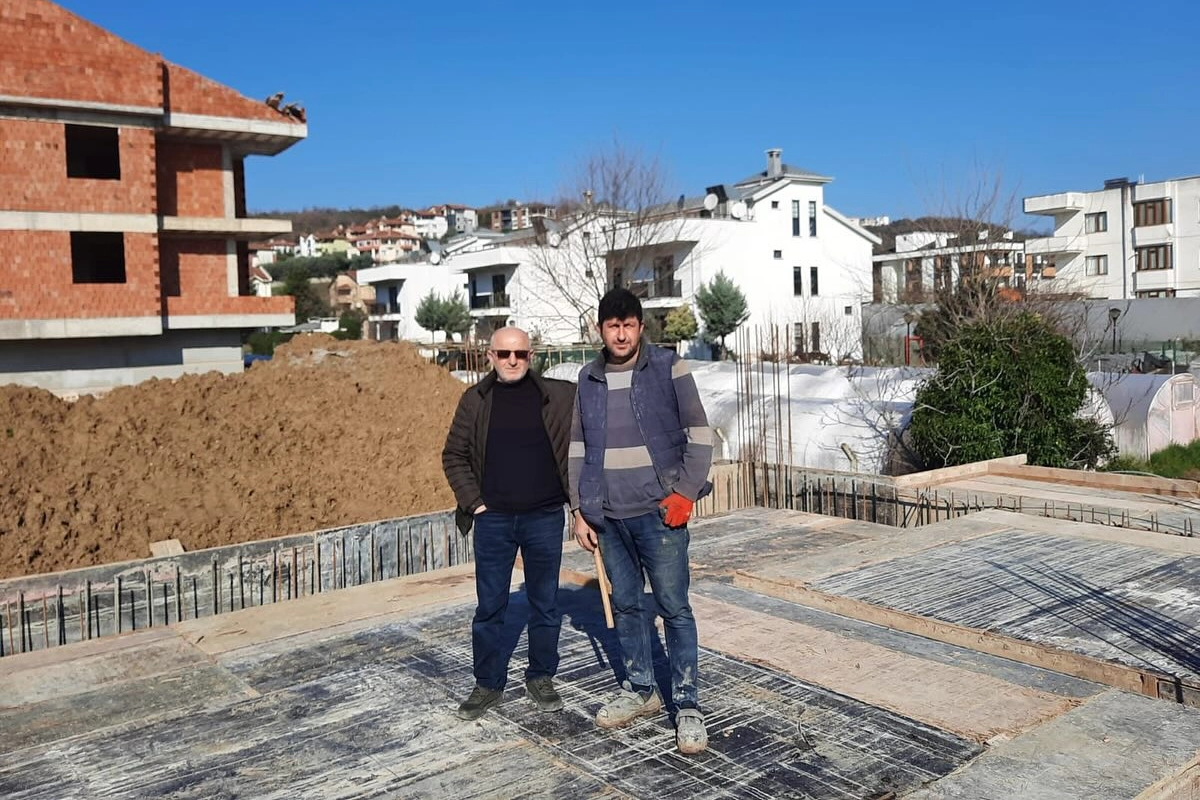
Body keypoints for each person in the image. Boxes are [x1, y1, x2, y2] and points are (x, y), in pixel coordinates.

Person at [569, 288, 714, 755]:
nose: (621, 335)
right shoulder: (588, 378)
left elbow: (700, 435)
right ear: (600, 330)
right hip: (608, 518)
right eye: (613, 326)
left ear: (640, 327)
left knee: (673, 607)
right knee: (627, 605)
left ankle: (687, 704)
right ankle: (640, 689)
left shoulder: (669, 367)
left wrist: (685, 493)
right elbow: (577, 448)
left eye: (628, 325)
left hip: (659, 514)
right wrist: (579, 510)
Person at [441, 326, 576, 721]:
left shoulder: (557, 397)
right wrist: (475, 503)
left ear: (531, 356)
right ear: (490, 357)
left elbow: (589, 434)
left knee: (545, 603)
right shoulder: (475, 400)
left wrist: (581, 505)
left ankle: (541, 676)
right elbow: (453, 455)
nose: (512, 360)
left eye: (519, 354)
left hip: (544, 517)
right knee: (490, 607)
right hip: (494, 520)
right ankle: (487, 683)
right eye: (503, 354)